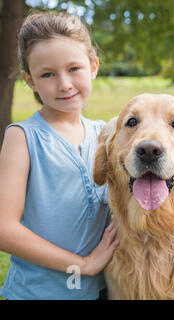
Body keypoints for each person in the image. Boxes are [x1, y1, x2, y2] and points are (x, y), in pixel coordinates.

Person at [0, 12, 119, 300]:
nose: (64, 84)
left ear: (93, 66)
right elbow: (4, 229)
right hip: (38, 293)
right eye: (48, 74)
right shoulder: (23, 137)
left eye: (74, 68)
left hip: (101, 291)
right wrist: (84, 265)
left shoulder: (104, 134)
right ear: (29, 80)